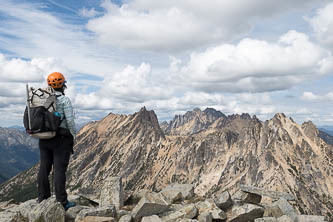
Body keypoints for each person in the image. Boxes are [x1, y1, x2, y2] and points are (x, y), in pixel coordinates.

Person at [37, 72, 76, 210]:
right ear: (63, 85)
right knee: (59, 170)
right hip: (61, 139)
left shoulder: (43, 99)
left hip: (44, 138)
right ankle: (62, 202)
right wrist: (73, 136)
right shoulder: (65, 101)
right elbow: (70, 121)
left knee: (44, 168)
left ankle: (42, 198)